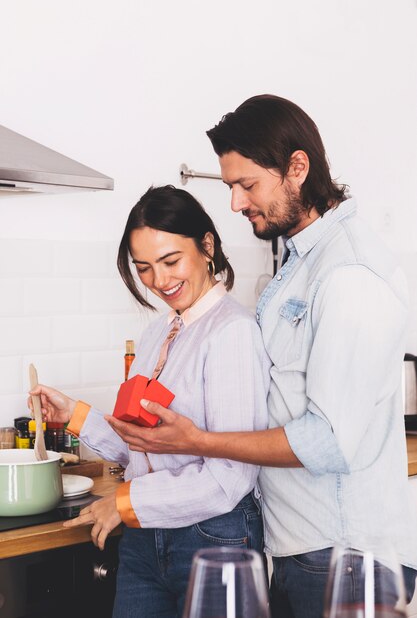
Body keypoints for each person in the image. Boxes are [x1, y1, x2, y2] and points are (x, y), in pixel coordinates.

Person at [106, 95, 417, 618]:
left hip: (344, 554)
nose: (235, 203)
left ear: (298, 168)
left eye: (246, 185)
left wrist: (199, 440)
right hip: (303, 548)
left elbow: (329, 440)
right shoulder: (302, 263)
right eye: (230, 186)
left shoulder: (348, 276)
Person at [28, 185, 270, 618]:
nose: (159, 281)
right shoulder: (158, 334)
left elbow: (229, 479)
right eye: (144, 268)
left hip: (213, 538)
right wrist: (75, 416)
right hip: (145, 537)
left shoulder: (232, 332)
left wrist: (123, 503)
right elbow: (145, 448)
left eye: (170, 261)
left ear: (207, 246)